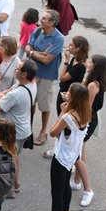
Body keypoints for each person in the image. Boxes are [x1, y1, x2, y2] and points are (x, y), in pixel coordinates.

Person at [32, 83, 91, 211]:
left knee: (56, 191)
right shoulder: (85, 112)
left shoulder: (68, 117)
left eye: (69, 93)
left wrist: (63, 112)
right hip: (72, 155)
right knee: (65, 185)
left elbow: (52, 132)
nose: (66, 94)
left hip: (62, 156)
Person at [0, 60, 38, 198]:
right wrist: (3, 95)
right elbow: (7, 93)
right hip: (23, 129)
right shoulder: (30, 84)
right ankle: (16, 184)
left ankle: (11, 188)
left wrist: (0, 96)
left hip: (13, 131)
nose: (15, 69)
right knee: (15, 157)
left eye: (18, 69)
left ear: (24, 73)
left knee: (9, 160)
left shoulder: (17, 93)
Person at [72, 54, 106, 207]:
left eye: (90, 62)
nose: (87, 63)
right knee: (81, 150)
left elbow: (86, 108)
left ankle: (87, 189)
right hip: (89, 119)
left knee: (77, 153)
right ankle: (76, 181)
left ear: (95, 67)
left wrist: (71, 105)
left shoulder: (92, 85)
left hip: (86, 120)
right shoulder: (98, 82)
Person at [44, 36, 89, 159]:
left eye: (71, 45)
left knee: (64, 124)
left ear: (78, 48)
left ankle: (67, 152)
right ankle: (58, 147)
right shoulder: (75, 59)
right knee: (61, 119)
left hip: (70, 97)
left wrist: (66, 61)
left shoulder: (80, 66)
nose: (68, 47)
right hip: (64, 93)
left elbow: (62, 77)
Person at [24, 9, 64, 146]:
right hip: (32, 73)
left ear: (52, 22)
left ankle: (43, 132)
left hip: (47, 76)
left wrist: (32, 53)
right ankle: (28, 128)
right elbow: (28, 47)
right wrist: (38, 54)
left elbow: (47, 60)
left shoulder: (59, 38)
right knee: (30, 102)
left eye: (44, 18)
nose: (40, 20)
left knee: (44, 105)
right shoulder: (38, 30)